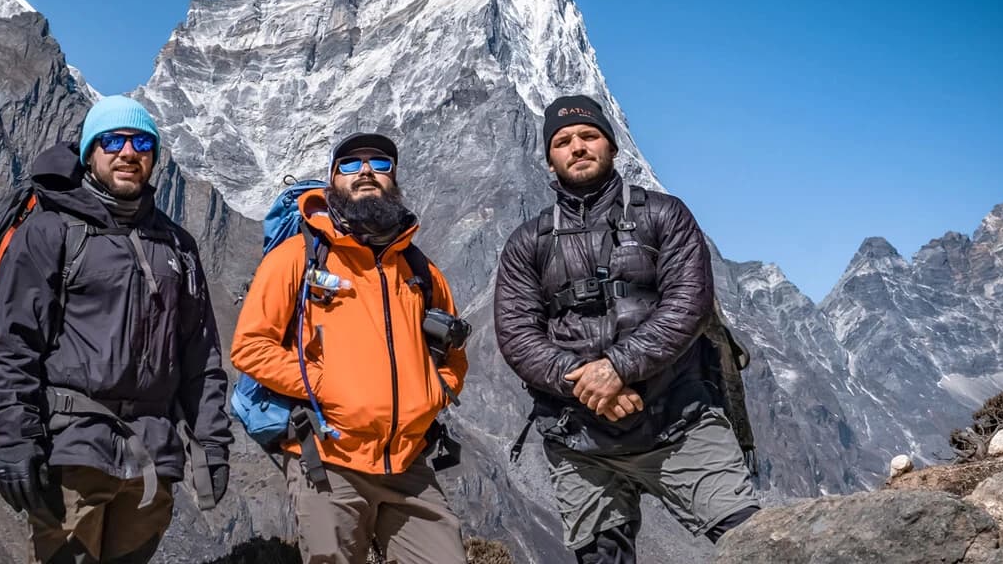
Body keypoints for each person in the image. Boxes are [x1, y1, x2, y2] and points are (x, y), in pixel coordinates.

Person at [494, 95, 760, 563]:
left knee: (754, 542)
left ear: (613, 147)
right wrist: (589, 383)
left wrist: (616, 368)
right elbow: (517, 334)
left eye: (589, 136)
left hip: (681, 420)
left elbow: (690, 305)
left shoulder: (665, 215)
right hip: (580, 440)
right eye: (563, 141)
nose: (577, 146)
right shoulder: (525, 244)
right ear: (549, 159)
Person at [0, 96, 232, 563]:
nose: (127, 152)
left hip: (152, 456)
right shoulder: (50, 232)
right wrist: (17, 440)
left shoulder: (177, 246)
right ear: (90, 154)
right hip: (71, 448)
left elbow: (201, 357)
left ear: (154, 156)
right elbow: (15, 344)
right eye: (112, 140)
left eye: (141, 142)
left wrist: (212, 444)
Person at [231, 133, 471, 564]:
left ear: (393, 179)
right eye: (350, 165)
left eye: (379, 164)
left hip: (407, 462)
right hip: (329, 458)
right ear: (332, 180)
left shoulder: (420, 270)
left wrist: (432, 393)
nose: (364, 172)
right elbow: (251, 347)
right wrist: (325, 384)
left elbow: (453, 355)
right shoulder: (296, 258)